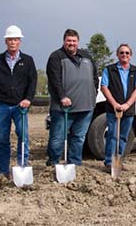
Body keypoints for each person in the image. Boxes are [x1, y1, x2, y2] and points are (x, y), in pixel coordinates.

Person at [0, 25, 37, 179]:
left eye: (15, 39)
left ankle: (22, 165)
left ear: (19, 41)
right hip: (2, 105)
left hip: (20, 106)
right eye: (10, 40)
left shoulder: (27, 61)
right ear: (6, 42)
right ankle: (3, 170)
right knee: (3, 138)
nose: (13, 42)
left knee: (23, 135)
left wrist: (28, 99)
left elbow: (32, 81)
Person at [46, 29, 98, 167]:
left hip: (86, 106)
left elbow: (94, 77)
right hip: (63, 108)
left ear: (78, 42)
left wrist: (93, 94)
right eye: (69, 40)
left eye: (74, 41)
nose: (71, 43)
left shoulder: (86, 56)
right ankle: (53, 162)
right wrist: (62, 97)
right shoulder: (56, 57)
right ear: (64, 41)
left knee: (79, 137)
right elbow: (54, 80)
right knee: (58, 138)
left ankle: (74, 163)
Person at [101, 44, 136, 172]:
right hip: (113, 108)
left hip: (128, 109)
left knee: (123, 136)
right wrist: (115, 104)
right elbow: (104, 87)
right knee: (112, 135)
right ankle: (109, 162)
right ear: (117, 54)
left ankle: (119, 161)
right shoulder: (109, 70)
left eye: (127, 53)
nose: (124, 55)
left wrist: (127, 104)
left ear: (130, 55)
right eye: (121, 53)